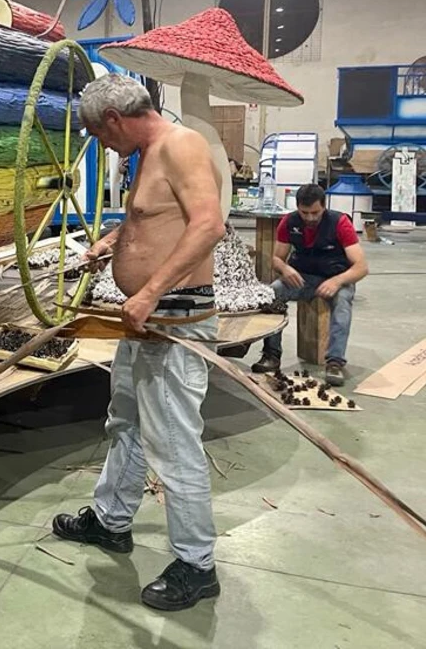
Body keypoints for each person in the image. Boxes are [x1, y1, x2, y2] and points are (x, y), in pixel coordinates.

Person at [52, 75, 227, 612]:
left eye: (98, 135)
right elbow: (150, 222)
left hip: (174, 322)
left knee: (173, 444)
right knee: (124, 421)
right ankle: (110, 521)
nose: (102, 145)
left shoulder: (181, 145)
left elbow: (208, 226)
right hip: (146, 322)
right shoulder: (147, 155)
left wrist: (149, 290)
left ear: (114, 120)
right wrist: (108, 244)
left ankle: (197, 565)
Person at [250, 183, 368, 385]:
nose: (310, 218)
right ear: (297, 207)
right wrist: (285, 269)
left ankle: (335, 362)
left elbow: (361, 267)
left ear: (324, 206)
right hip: (304, 277)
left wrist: (337, 281)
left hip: (337, 278)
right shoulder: (289, 222)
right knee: (273, 293)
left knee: (342, 305)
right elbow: (277, 258)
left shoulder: (340, 223)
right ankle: (271, 354)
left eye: (315, 212)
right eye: (305, 213)